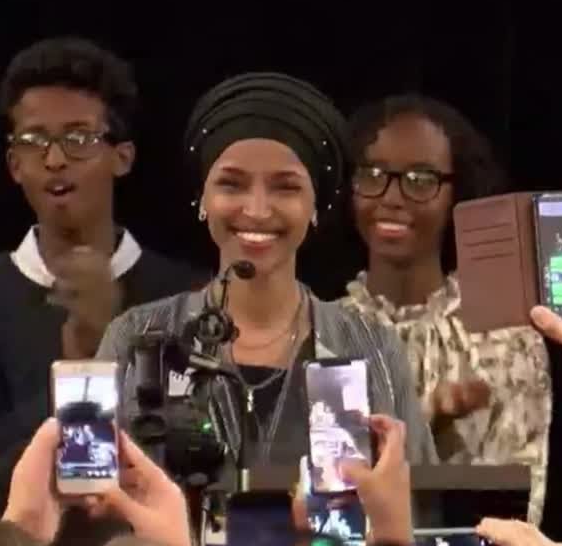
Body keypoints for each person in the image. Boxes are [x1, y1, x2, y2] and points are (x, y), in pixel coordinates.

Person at [0, 37, 204, 526]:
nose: (54, 160)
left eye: (78, 138)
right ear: (13, 164)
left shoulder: (186, 296)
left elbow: (205, 464)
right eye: (34, 141)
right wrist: (73, 379)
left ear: (123, 157)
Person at [96, 72, 436, 470]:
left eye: (285, 187)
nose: (257, 210)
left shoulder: (371, 350)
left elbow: (417, 506)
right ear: (202, 199)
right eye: (232, 185)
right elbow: (94, 503)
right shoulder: (137, 339)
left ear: (316, 208)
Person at [339, 94, 552, 522]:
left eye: (421, 179)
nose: (393, 197)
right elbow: (327, 500)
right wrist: (426, 420)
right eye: (374, 174)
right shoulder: (322, 333)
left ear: (458, 193)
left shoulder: (505, 337)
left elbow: (520, 510)